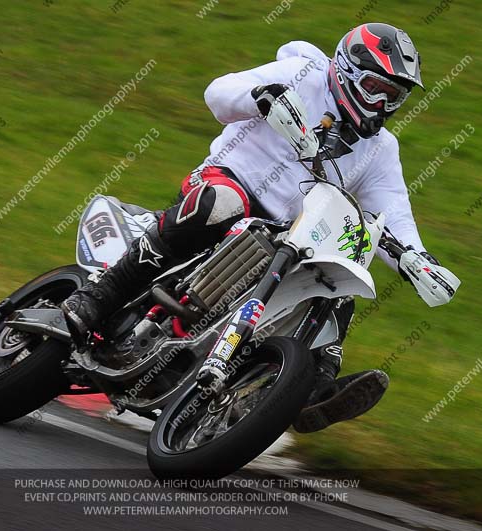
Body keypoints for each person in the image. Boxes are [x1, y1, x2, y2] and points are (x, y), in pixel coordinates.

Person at [62, 23, 458, 432]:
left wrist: (417, 260)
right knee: (222, 205)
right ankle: (99, 295)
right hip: (227, 184)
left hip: (288, 235)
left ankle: (306, 392)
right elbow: (218, 93)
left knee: (339, 284)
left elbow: (392, 211)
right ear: (348, 70)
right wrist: (261, 99)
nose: (383, 103)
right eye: (378, 87)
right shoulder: (301, 73)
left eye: (395, 96)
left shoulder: (380, 149)